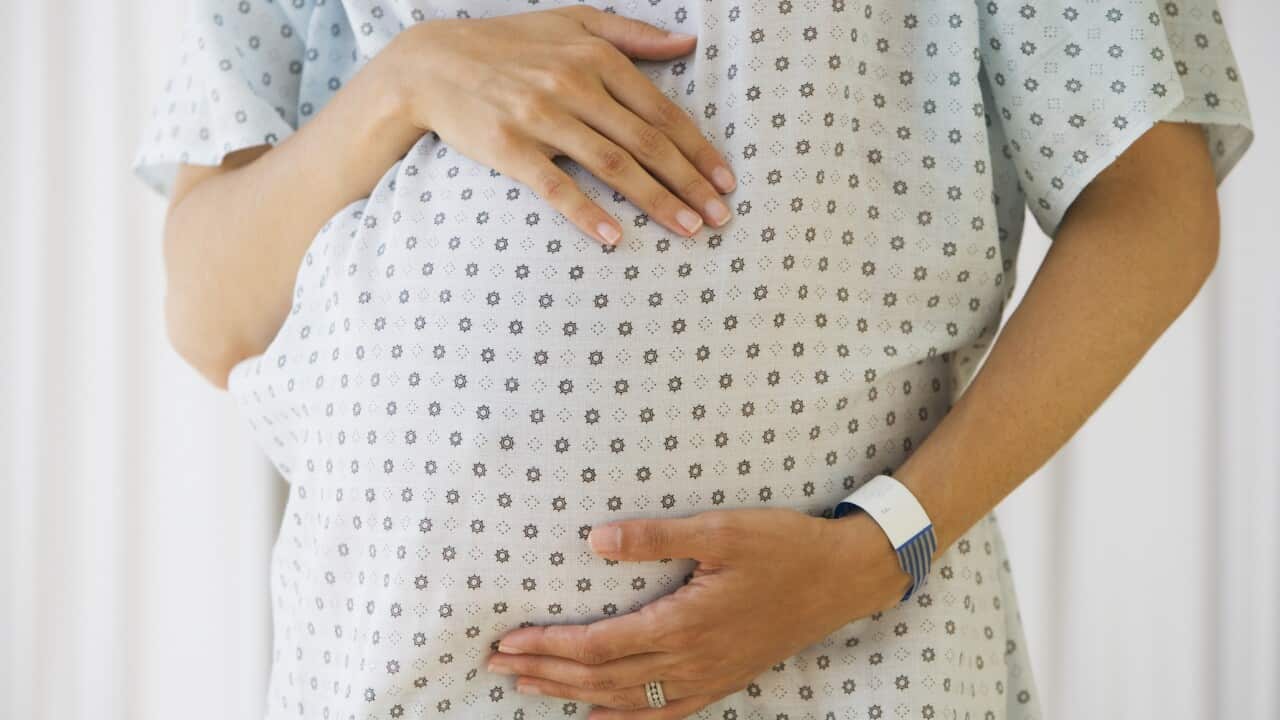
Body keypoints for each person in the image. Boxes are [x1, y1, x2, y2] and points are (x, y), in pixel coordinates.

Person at [132, 1, 1253, 719]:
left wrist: (878, 550)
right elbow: (209, 310)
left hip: (854, 664)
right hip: (393, 674)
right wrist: (402, 83)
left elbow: (1151, 206)